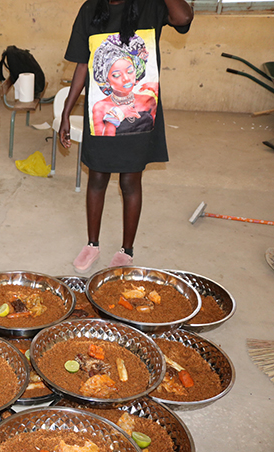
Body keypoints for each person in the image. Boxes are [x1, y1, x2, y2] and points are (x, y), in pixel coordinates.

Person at [61, 0, 193, 273]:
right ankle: (92, 244)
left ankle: (126, 250)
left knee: (130, 181)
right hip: (101, 118)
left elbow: (183, 16)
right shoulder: (90, 10)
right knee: (96, 176)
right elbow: (82, 66)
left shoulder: (150, 6)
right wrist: (66, 111)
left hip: (141, 120)